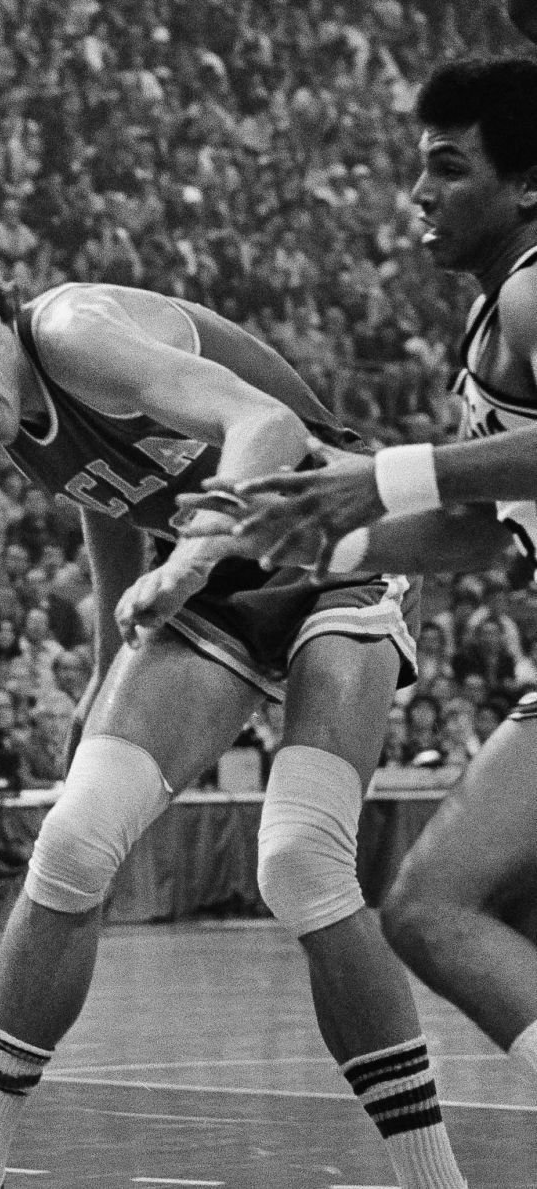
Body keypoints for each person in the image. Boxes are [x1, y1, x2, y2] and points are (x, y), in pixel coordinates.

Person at [0, 229, 466, 1189]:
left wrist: (190, 558)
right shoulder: (3, 408)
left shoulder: (76, 331)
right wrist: (99, 664)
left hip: (332, 545)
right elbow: (103, 489)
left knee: (299, 860)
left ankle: (434, 1180)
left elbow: (265, 428)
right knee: (76, 841)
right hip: (204, 580)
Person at [199, 55, 537, 1105]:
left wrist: (380, 475)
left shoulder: (534, 292)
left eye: (446, 167)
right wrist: (318, 541)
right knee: (478, 911)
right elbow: (483, 529)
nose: (418, 193)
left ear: (525, 184)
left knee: (434, 909)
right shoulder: (497, 315)